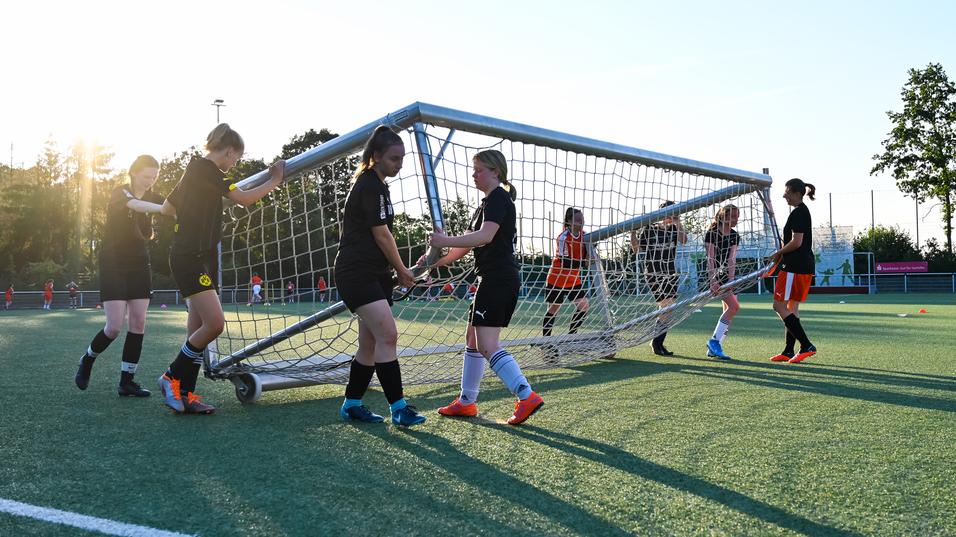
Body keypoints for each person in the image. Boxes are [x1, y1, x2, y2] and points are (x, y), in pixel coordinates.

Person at [158, 124, 285, 414]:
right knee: (214, 324)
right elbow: (245, 199)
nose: (233, 165)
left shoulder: (193, 171)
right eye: (236, 160)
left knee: (196, 327)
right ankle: (169, 377)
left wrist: (195, 212)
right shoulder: (209, 172)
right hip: (190, 256)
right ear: (229, 152)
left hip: (193, 255)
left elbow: (167, 207)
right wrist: (275, 179)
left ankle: (186, 394)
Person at [428, 149, 544, 425]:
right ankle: (466, 402)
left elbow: (485, 236)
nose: (474, 175)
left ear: (496, 172)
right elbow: (469, 243)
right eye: (474, 169)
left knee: (487, 345)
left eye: (479, 169)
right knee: (472, 339)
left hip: (498, 279)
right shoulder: (485, 205)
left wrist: (445, 241)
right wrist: (434, 261)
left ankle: (525, 394)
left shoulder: (498, 199)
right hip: (491, 279)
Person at [333, 125, 424, 426]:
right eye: (394, 158)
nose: (399, 164)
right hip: (356, 273)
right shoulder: (369, 184)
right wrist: (403, 270)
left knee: (370, 344)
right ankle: (399, 408)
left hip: (373, 273)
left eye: (402, 159)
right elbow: (382, 234)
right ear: (376, 156)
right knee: (388, 335)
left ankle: (352, 404)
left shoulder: (376, 184)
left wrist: (394, 271)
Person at [75, 155, 166, 396]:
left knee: (138, 322)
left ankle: (127, 381)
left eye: (154, 177)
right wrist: (164, 209)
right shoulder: (120, 192)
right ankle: (88, 359)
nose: (150, 181)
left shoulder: (156, 197)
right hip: (113, 262)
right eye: (147, 176)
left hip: (139, 263)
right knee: (114, 327)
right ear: (134, 173)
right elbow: (136, 205)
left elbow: (179, 205)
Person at [770, 178, 818, 364]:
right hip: (802, 265)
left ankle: (806, 345)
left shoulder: (799, 213)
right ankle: (789, 350)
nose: (784, 195)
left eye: (788, 192)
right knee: (791, 307)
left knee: (778, 305)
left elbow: (796, 242)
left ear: (798, 194)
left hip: (795, 267)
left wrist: (778, 253)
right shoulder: (801, 212)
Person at [630, 201, 687, 356]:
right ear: (662, 214)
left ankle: (657, 342)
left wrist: (678, 223)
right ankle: (656, 344)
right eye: (670, 213)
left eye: (675, 213)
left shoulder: (675, 229)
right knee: (666, 306)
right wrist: (633, 233)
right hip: (653, 273)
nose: (673, 215)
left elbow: (684, 240)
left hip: (670, 273)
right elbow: (636, 249)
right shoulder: (650, 228)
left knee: (668, 309)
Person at [542, 207, 589, 339]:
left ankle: (571, 337)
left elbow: (586, 253)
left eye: (582, 219)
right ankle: (546, 341)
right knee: (553, 309)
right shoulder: (563, 237)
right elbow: (565, 262)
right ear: (569, 221)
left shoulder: (585, 236)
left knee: (583, 306)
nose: (582, 222)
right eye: (578, 220)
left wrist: (591, 254)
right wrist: (584, 263)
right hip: (557, 278)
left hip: (573, 279)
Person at [703, 204, 740, 360]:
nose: (736, 220)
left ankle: (715, 348)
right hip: (713, 276)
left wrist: (731, 280)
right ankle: (714, 342)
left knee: (729, 311)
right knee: (734, 307)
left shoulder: (735, 236)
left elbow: (732, 259)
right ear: (723, 216)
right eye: (732, 216)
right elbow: (710, 259)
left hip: (727, 277)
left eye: (737, 217)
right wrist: (713, 280)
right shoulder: (711, 233)